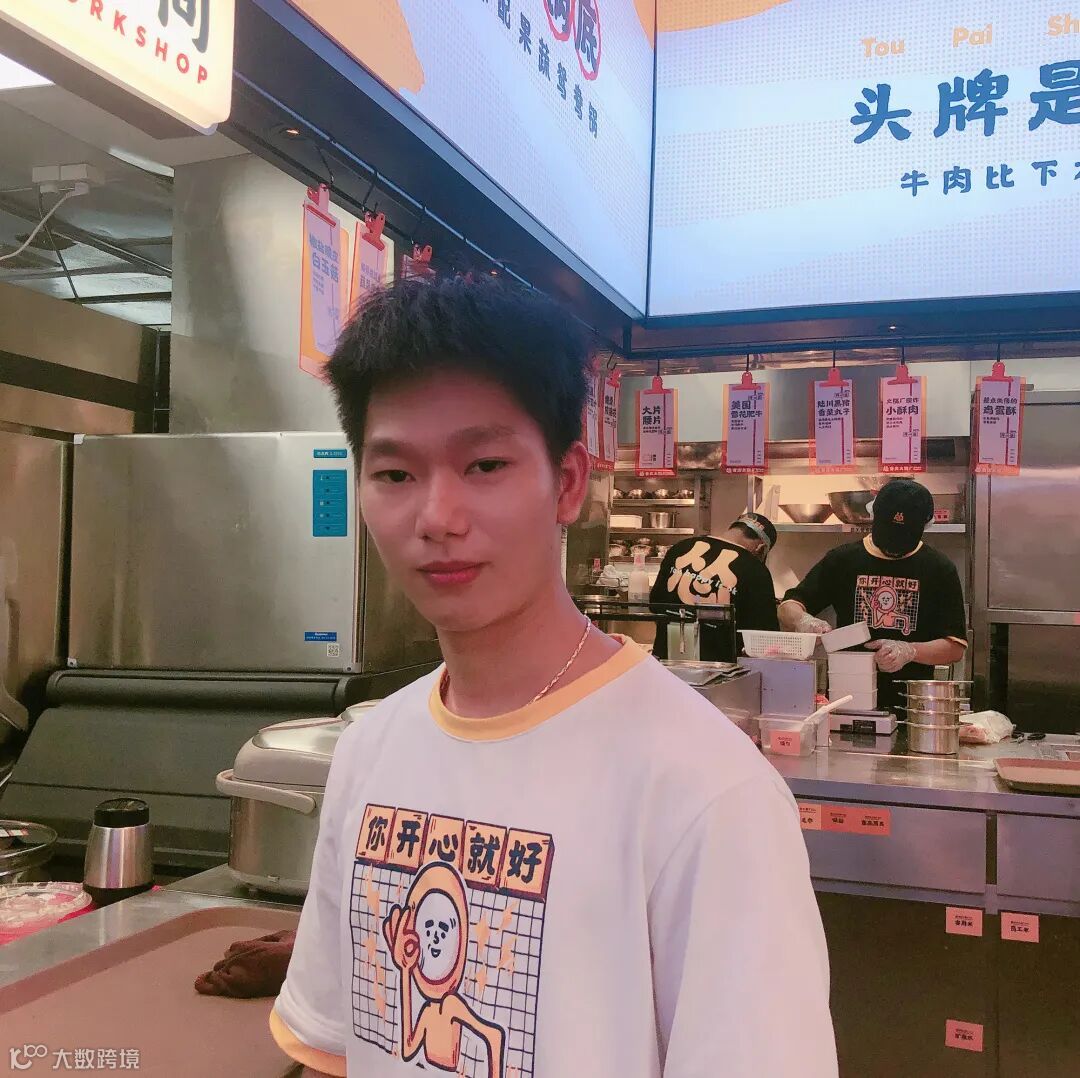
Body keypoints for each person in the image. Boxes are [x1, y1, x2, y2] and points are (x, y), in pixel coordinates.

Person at [270, 276, 837, 1078]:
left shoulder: (707, 793)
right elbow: (342, 1047)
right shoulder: (369, 749)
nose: (436, 518)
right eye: (395, 474)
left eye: (485, 464)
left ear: (567, 483)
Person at [778, 478, 967, 712]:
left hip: (911, 704)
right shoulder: (843, 560)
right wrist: (804, 621)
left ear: (926, 526)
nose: (893, 545)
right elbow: (788, 606)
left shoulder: (939, 568)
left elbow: (955, 647)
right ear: (873, 517)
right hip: (847, 697)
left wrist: (909, 651)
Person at [649, 513, 780, 661]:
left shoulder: (680, 548)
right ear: (761, 548)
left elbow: (655, 604)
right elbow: (765, 638)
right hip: (721, 668)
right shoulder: (755, 569)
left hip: (664, 661)